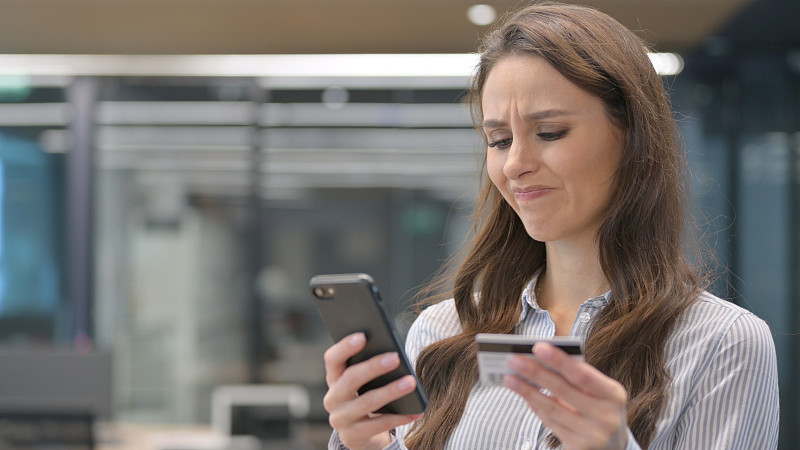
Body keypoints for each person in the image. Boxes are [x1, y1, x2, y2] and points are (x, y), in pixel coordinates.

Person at [321, 2, 780, 449]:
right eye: (499, 140)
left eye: (550, 133)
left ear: (633, 138)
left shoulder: (721, 342)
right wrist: (368, 445)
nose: (516, 164)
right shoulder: (444, 333)